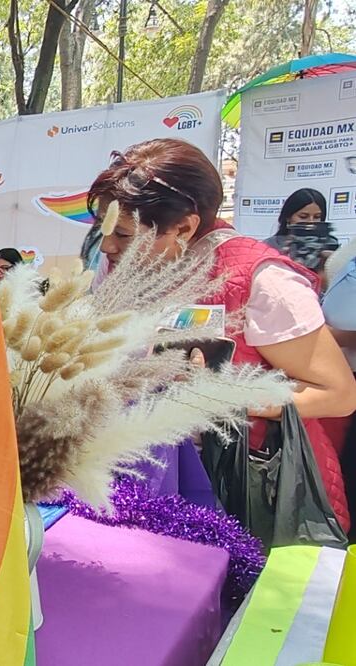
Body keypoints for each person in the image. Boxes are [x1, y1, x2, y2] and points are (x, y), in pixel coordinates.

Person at [89, 138, 356, 530]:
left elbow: (338, 393)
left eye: (125, 235)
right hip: (147, 486)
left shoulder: (262, 280)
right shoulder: (116, 268)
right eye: (104, 228)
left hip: (248, 498)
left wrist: (230, 394)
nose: (108, 245)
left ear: (184, 226)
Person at [265, 188, 337, 274]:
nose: (311, 222)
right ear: (288, 217)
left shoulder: (330, 244)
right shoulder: (268, 246)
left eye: (317, 217)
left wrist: (331, 265)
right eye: (303, 216)